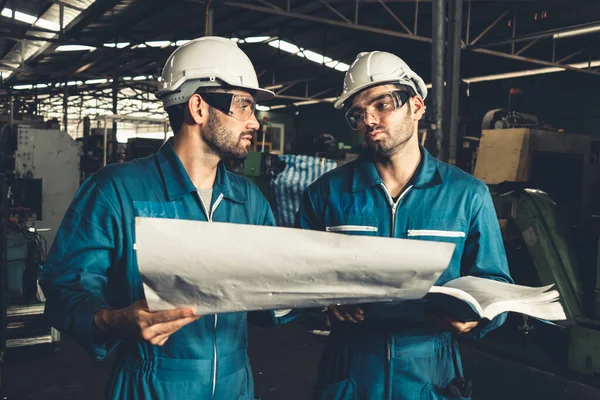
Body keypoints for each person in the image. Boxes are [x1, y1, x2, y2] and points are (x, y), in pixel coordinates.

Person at [40, 36, 291, 399]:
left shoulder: (248, 199)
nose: (254, 122)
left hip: (236, 386)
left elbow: (272, 297)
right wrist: (119, 319)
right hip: (150, 384)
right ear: (199, 107)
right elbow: (66, 291)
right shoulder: (116, 191)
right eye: (244, 106)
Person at [295, 51, 514, 399]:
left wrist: (477, 317)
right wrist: (325, 305)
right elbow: (293, 282)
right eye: (358, 113)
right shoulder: (326, 194)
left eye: (381, 104)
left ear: (416, 105)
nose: (369, 120)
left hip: (432, 368)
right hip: (351, 367)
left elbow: (496, 282)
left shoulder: (467, 194)